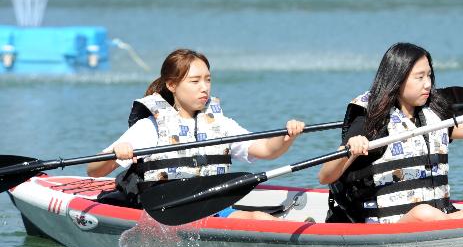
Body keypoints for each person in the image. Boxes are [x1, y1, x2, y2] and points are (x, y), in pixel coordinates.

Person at [317, 42, 463, 224]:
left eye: (429, 75)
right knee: (424, 214)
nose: (428, 84)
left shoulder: (433, 117)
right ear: (397, 80)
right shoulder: (370, 121)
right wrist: (351, 151)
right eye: (419, 77)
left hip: (440, 218)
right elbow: (325, 176)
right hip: (388, 225)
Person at [88, 48, 304, 220]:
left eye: (208, 79)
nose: (204, 88)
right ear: (172, 85)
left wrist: (287, 137)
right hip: (166, 212)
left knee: (259, 218)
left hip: (210, 208)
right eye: (195, 81)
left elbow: (266, 150)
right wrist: (117, 152)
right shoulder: (150, 126)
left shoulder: (221, 124)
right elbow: (94, 171)